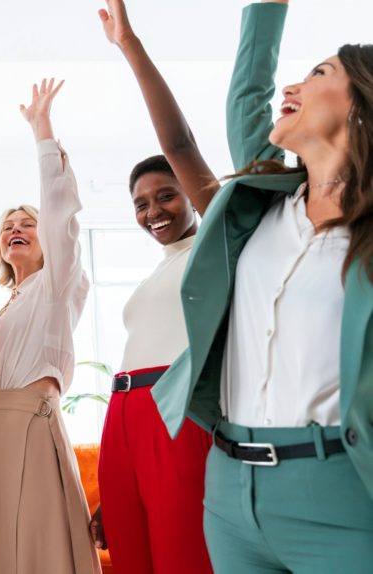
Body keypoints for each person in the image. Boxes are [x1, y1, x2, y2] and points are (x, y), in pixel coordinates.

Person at [152, 1, 373, 572]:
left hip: (338, 493)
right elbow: (247, 94)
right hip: (228, 492)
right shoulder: (262, 198)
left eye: (320, 73)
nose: (293, 86)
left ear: (362, 108)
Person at [88, 1, 218, 572]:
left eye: (166, 195)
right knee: (131, 555)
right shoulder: (159, 269)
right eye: (140, 204)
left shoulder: (216, 244)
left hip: (176, 409)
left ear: (190, 194)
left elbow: (179, 143)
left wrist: (128, 45)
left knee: (182, 552)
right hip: (122, 417)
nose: (154, 210)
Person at [0, 78, 101, 574]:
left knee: (39, 544)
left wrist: (42, 131)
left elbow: (59, 211)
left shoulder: (56, 283)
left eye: (26, 224)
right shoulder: (11, 302)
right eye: (7, 227)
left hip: (31, 420)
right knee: (6, 547)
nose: (16, 231)